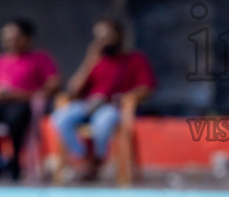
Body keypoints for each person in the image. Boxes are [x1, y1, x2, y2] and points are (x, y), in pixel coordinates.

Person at [51, 17, 155, 181]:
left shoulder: (136, 59)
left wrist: (126, 97)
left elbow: (146, 88)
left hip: (112, 107)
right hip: (88, 104)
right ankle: (83, 157)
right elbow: (73, 89)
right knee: (61, 118)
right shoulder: (97, 60)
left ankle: (97, 160)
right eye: (98, 37)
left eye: (106, 36)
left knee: (103, 122)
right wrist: (89, 61)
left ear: (119, 36)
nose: (102, 41)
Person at [0, 19, 60, 181]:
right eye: (6, 36)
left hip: (26, 105)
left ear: (27, 38)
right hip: (2, 105)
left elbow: (53, 84)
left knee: (16, 119)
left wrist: (18, 94)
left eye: (14, 36)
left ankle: (16, 164)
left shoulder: (40, 58)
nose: (8, 40)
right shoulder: (2, 60)